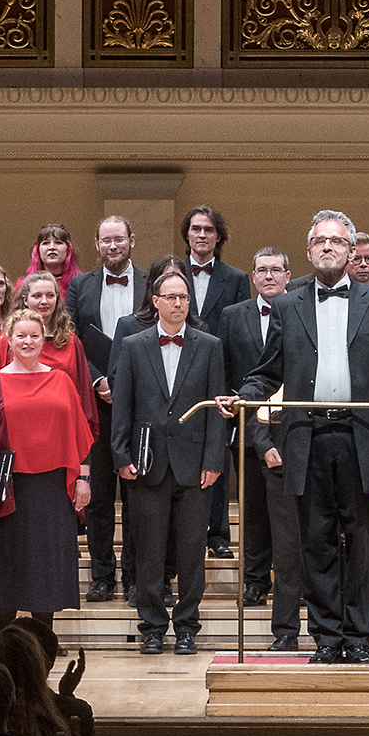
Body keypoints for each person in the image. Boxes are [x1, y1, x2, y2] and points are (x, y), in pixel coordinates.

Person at [231, 210, 369, 664]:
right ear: (308, 251)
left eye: (337, 241)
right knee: (316, 540)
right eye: (320, 241)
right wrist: (242, 397)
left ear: (351, 250)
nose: (328, 247)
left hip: (361, 433)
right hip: (306, 434)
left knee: (360, 540)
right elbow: (268, 371)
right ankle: (326, 636)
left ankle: (359, 637)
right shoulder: (287, 305)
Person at [108, 267, 229, 653]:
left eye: (184, 297)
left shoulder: (210, 345)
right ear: (156, 302)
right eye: (171, 297)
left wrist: (214, 459)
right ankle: (153, 626)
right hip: (147, 463)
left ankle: (188, 625)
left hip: (195, 465)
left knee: (192, 550)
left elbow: (214, 406)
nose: (178, 303)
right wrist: (121, 455)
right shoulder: (133, 344)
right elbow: (121, 406)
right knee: (149, 550)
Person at [0, 308, 94, 641]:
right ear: (8, 341)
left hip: (52, 488)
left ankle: (43, 640)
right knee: (7, 566)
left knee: (46, 567)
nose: (28, 341)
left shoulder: (61, 380)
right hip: (8, 488)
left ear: (44, 341)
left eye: (34, 336)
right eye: (20, 336)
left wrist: (83, 476)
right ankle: (6, 640)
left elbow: (79, 433)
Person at [212, 248, 299, 624]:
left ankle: (296, 583)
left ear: (288, 274)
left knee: (293, 513)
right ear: (252, 276)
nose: (268, 276)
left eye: (275, 270)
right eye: (261, 270)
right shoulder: (233, 316)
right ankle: (255, 580)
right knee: (254, 512)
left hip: (293, 428)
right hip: (247, 429)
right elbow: (227, 371)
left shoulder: (301, 310)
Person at [65, 216, 142, 601]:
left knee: (134, 496)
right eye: (106, 240)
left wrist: (126, 384)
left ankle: (132, 578)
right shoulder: (80, 285)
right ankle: (101, 576)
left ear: (132, 241)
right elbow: (71, 338)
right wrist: (98, 380)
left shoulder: (150, 285)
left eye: (119, 239)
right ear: (97, 244)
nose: (113, 246)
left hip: (139, 405)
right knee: (96, 496)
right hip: (94, 405)